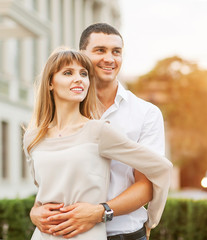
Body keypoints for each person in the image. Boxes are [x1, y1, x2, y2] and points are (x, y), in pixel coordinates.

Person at [29, 23, 171, 240]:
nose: (109, 58)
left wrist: (100, 212)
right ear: (82, 54)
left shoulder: (146, 113)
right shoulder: (57, 117)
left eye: (116, 52)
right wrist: (35, 211)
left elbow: (149, 180)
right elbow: (52, 180)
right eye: (100, 50)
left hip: (125, 233)